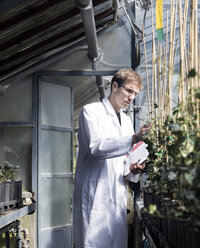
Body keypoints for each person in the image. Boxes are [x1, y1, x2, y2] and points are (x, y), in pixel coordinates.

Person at [73, 68, 151, 248]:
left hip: (116, 196)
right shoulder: (90, 112)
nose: (131, 98)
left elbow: (124, 162)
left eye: (135, 94)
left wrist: (132, 170)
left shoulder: (126, 121)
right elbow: (95, 147)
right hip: (96, 193)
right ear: (115, 86)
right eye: (129, 91)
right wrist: (132, 139)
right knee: (93, 242)